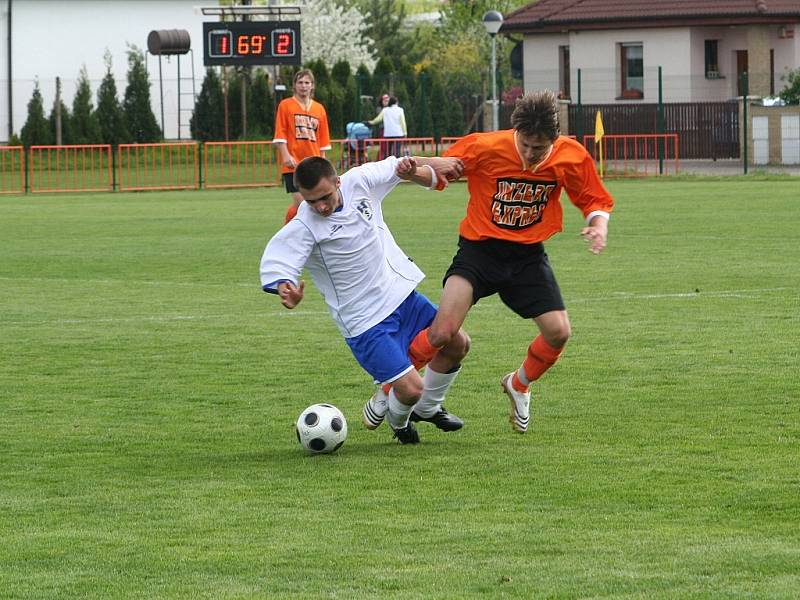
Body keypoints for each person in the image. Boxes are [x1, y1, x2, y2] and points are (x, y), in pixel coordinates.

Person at [417, 89, 614, 434]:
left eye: (539, 148)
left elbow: (594, 199)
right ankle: (390, 389)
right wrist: (415, 169)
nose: (529, 153)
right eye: (524, 144)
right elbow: (439, 174)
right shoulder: (484, 145)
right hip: (480, 250)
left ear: (555, 139)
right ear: (515, 132)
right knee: (442, 331)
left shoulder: (570, 155)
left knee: (559, 332)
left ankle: (519, 384)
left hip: (527, 257)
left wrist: (598, 225)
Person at [259, 155, 470, 444]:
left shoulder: (360, 180)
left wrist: (436, 162)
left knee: (458, 343)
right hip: (364, 322)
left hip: (400, 295)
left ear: (338, 181)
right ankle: (400, 424)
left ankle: (428, 408)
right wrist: (286, 288)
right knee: (410, 389)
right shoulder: (304, 225)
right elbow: (280, 260)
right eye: (311, 201)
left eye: (325, 196)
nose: (320, 206)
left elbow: (400, 165)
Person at [273, 69, 331, 223]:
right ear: (294, 85)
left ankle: (291, 230)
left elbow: (323, 140)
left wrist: (322, 163)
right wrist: (285, 155)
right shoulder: (285, 105)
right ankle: (289, 231)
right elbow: (280, 133)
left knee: (312, 205)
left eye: (307, 83)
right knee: (302, 205)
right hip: (294, 164)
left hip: (313, 165)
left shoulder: (319, 109)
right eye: (300, 82)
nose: (303, 86)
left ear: (312, 86)